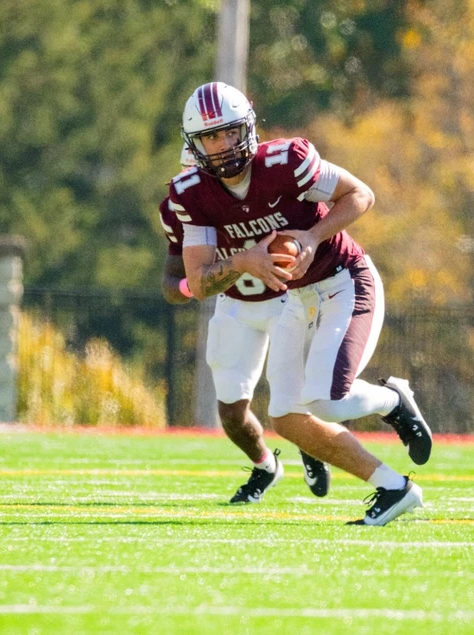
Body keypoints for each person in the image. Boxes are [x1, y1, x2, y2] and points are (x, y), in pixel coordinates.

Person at [172, 81, 431, 526]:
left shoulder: (285, 162)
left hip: (345, 281)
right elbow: (197, 282)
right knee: (288, 418)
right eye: (211, 137)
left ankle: (392, 399)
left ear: (248, 128)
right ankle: (393, 487)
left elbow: (360, 194)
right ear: (194, 145)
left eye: (230, 132)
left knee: (326, 400)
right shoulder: (191, 194)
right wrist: (244, 261)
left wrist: (312, 236)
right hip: (296, 298)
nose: (223, 145)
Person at [158, 144, 331, 504]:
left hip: (286, 298)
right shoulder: (184, 206)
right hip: (234, 304)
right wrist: (198, 283)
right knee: (231, 412)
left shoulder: (261, 186)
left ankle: (310, 445)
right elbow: (171, 284)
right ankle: (266, 466)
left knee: (292, 398)